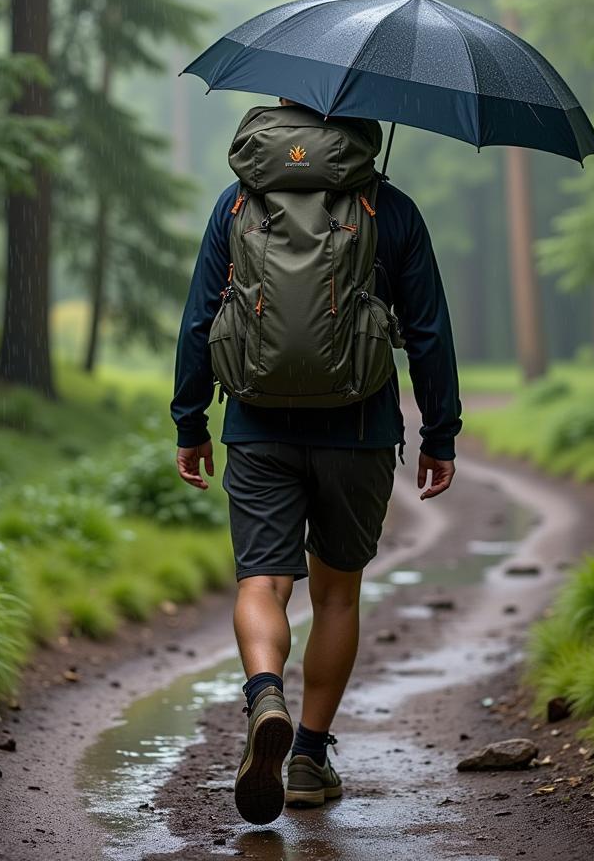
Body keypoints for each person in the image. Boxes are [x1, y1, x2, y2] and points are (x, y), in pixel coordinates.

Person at [170, 97, 461, 825]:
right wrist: (441, 433)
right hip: (357, 428)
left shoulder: (237, 200)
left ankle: (263, 692)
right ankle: (306, 755)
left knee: (262, 581)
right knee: (336, 594)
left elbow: (202, 316)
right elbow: (427, 328)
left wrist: (189, 420)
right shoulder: (386, 207)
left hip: (256, 425)